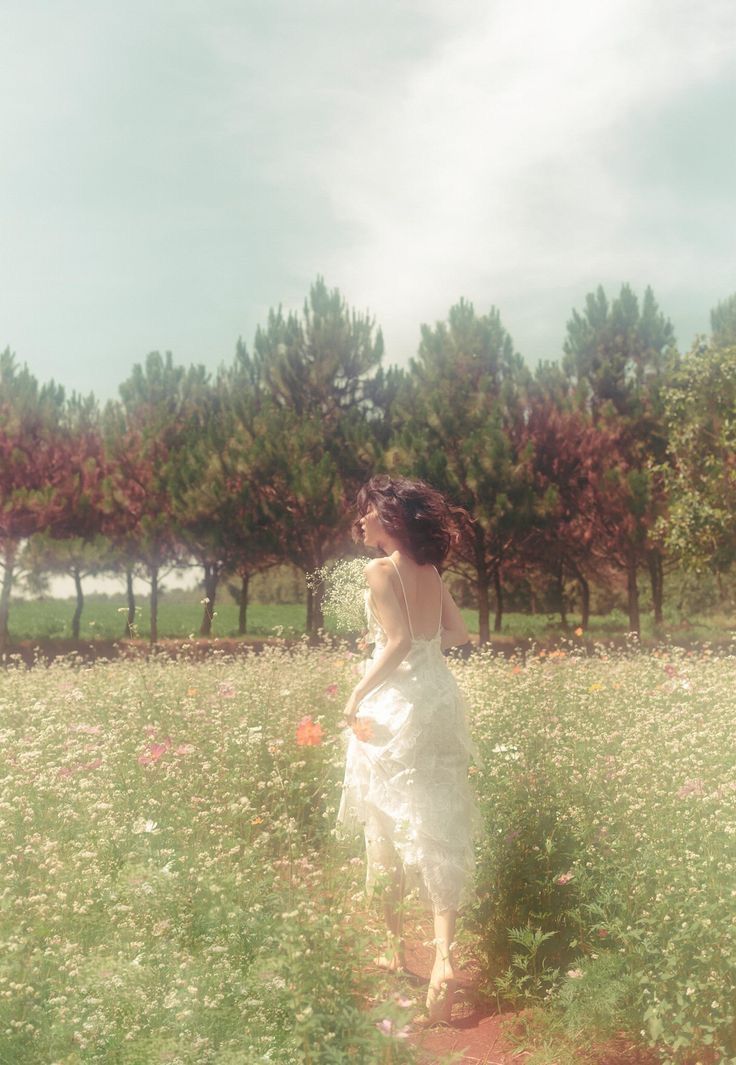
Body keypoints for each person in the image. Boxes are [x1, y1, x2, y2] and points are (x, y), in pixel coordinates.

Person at [336, 474, 483, 1027]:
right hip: (439, 700)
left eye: (368, 512)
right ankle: (443, 957)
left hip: (394, 707)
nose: (361, 520)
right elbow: (459, 635)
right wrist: (423, 656)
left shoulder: (380, 570)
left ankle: (396, 949)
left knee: (385, 823)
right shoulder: (431, 571)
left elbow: (395, 645)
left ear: (390, 520)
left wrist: (356, 691)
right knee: (436, 820)